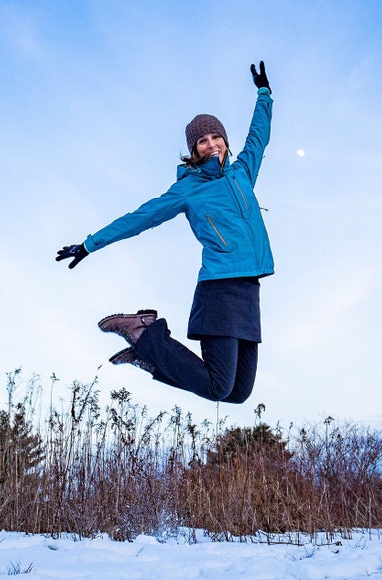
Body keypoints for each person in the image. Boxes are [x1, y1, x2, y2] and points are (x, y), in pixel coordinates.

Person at [56, 61, 274, 404]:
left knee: (239, 393)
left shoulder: (243, 172)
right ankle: (144, 332)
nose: (211, 144)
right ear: (193, 150)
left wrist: (264, 93)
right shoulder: (188, 190)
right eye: (202, 141)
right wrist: (89, 244)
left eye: (216, 136)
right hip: (219, 288)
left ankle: (149, 355)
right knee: (219, 386)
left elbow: (259, 136)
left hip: (249, 289)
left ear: (226, 141)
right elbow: (140, 218)